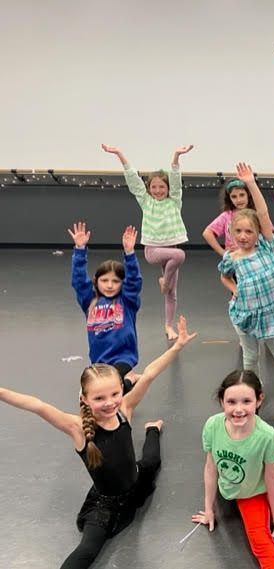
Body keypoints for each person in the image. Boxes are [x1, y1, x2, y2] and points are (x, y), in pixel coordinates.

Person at [0, 316, 197, 569]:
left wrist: (177, 346)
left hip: (135, 481)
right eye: (99, 398)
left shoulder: (124, 409)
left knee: (152, 460)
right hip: (106, 505)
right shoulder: (77, 428)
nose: (110, 402)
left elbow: (148, 375)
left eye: (115, 394)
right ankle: (152, 429)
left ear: (122, 389)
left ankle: (152, 429)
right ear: (84, 398)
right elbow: (38, 405)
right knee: (87, 550)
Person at [191, 370, 274, 568]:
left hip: (252, 494)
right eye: (231, 402)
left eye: (246, 401)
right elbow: (211, 467)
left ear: (259, 400)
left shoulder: (266, 436)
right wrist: (208, 510)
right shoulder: (213, 425)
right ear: (222, 402)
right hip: (226, 489)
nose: (238, 409)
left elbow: (272, 477)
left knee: (261, 543)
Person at [101, 143, 193, 340]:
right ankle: (164, 281)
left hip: (170, 250)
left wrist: (176, 157)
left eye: (162, 187)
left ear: (168, 188)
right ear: (149, 189)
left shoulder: (174, 201)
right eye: (154, 187)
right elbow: (133, 180)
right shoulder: (146, 201)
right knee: (180, 255)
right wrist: (119, 154)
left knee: (171, 293)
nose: (158, 190)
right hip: (153, 251)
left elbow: (176, 180)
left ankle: (168, 326)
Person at [218, 162, 274, 373]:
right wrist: (235, 289)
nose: (243, 236)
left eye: (249, 231)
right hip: (245, 314)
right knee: (251, 356)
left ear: (258, 232)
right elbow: (224, 277)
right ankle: (252, 388)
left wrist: (251, 184)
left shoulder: (266, 246)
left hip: (272, 312)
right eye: (238, 231)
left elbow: (262, 213)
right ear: (231, 232)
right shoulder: (231, 257)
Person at [68, 222, 142, 391]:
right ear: (96, 281)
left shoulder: (127, 301)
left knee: (111, 386)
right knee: (95, 391)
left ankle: (128, 379)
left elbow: (134, 281)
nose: (109, 285)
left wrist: (129, 253)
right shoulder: (90, 302)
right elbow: (79, 281)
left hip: (123, 358)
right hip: (99, 360)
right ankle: (129, 381)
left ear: (122, 283)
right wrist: (80, 250)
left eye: (115, 281)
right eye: (104, 280)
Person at [203, 177, 256, 256]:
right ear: (229, 198)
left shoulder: (257, 214)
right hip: (234, 258)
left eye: (242, 195)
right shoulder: (227, 216)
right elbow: (207, 233)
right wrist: (223, 253)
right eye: (234, 196)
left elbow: (269, 235)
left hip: (253, 258)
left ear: (248, 194)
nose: (239, 200)